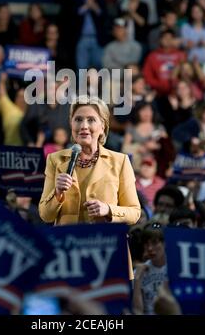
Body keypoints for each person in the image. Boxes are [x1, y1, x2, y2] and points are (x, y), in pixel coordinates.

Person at [39, 96, 141, 275]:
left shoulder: (120, 161)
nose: (83, 126)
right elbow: (45, 215)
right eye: (78, 119)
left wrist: (108, 210)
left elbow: (134, 212)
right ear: (71, 124)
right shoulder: (55, 160)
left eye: (91, 120)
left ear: (102, 127)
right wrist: (57, 193)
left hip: (107, 251)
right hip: (68, 255)